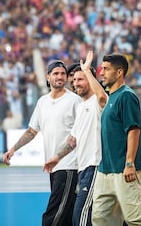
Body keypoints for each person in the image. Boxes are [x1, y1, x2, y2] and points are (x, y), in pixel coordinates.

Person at [3, 60, 81, 226]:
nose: (60, 77)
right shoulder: (42, 102)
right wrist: (13, 149)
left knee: (53, 214)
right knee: (66, 215)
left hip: (69, 166)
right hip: (53, 167)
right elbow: (32, 131)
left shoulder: (74, 101)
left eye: (63, 74)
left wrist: (60, 157)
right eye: (56, 73)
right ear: (48, 77)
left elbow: (78, 135)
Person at [43, 51, 108, 226]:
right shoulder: (81, 107)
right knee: (100, 217)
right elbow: (73, 139)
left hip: (95, 165)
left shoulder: (98, 101)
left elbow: (102, 96)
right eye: (74, 80)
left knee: (80, 216)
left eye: (80, 79)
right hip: (83, 168)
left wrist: (87, 70)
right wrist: (56, 158)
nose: (75, 83)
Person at [91, 53, 141, 226]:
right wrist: (86, 72)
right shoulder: (111, 96)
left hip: (124, 169)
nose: (102, 72)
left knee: (134, 217)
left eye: (106, 69)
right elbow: (99, 94)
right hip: (106, 169)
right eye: (101, 69)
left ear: (119, 72)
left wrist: (129, 163)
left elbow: (134, 130)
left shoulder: (126, 96)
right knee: (100, 217)